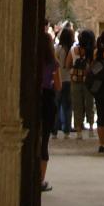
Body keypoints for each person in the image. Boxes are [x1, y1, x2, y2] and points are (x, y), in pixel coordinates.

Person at [39, 30, 61, 191]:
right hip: (47, 99)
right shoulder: (53, 63)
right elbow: (58, 86)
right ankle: (40, 180)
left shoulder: (30, 59)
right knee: (44, 140)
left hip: (32, 99)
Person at [67, 27, 96, 138]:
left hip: (75, 81)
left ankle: (78, 130)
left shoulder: (74, 50)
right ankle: (91, 128)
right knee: (89, 104)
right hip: (88, 81)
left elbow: (67, 64)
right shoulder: (93, 51)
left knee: (77, 104)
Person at [55, 23, 74, 138]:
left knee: (57, 104)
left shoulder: (57, 48)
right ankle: (67, 130)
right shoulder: (72, 49)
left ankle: (54, 131)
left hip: (59, 78)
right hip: (68, 79)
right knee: (68, 106)